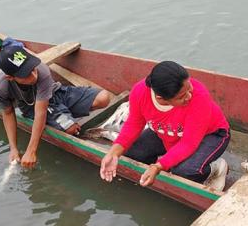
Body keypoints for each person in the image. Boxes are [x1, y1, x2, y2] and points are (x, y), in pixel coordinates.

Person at [99, 61, 230, 191]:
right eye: (182, 96)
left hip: (211, 134)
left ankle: (216, 167)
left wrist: (158, 167)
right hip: (167, 131)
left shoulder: (199, 97)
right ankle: (172, 159)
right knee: (132, 153)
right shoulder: (140, 92)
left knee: (183, 171)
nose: (189, 96)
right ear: (161, 98)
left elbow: (188, 143)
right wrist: (113, 153)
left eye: (189, 88)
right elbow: (134, 123)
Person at [0, 38, 111, 168]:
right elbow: (9, 114)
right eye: (25, 74)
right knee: (71, 128)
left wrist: (31, 150)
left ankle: (63, 115)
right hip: (32, 105)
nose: (33, 76)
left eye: (32, 68)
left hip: (55, 92)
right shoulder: (0, 88)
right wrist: (14, 149)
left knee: (104, 98)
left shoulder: (41, 70)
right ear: (10, 77)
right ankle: (63, 118)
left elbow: (41, 113)